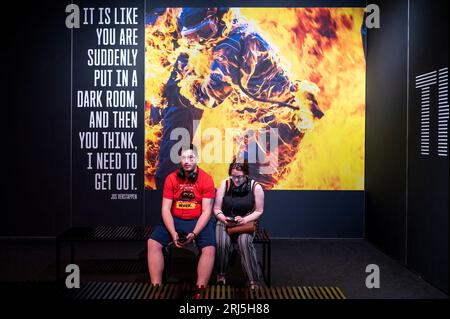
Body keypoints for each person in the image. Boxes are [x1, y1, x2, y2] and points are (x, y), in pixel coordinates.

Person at [150, 7, 324, 190]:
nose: (201, 41)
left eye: (205, 32)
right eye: (193, 37)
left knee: (250, 182)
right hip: (259, 121)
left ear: (218, 18)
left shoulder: (231, 45)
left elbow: (209, 95)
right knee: (243, 179)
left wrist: (186, 85)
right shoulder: (233, 31)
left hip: (277, 122)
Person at [147, 145, 216, 288]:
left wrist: (194, 233)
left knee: (209, 249)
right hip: (175, 219)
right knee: (152, 243)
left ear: (196, 158)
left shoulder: (206, 179)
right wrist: (173, 233)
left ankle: (200, 289)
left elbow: (207, 212)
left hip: (198, 221)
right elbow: (165, 209)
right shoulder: (171, 179)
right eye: (183, 158)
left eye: (190, 157)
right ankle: (155, 288)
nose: (187, 161)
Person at [213, 158, 265, 289]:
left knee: (244, 242)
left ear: (246, 174)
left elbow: (259, 211)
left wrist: (245, 220)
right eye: (233, 176)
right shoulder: (225, 184)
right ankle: (220, 275)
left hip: (246, 222)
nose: (236, 180)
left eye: (240, 177)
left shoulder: (255, 187)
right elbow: (216, 209)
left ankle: (253, 281)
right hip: (226, 220)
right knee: (221, 242)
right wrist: (223, 218)